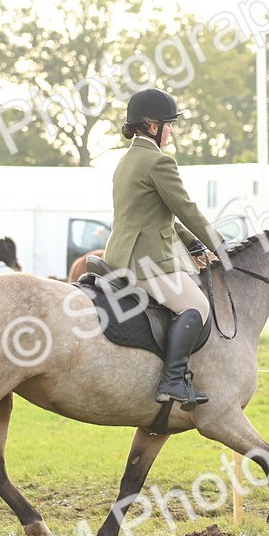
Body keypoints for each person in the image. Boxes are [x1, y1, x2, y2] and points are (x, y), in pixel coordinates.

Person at [102, 88, 222, 410]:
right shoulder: (159, 162)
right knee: (197, 306)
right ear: (153, 126)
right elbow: (186, 208)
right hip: (147, 262)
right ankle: (172, 380)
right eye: (169, 124)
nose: (172, 130)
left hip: (119, 255)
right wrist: (222, 246)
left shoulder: (125, 161)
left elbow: (156, 215)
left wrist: (193, 243)